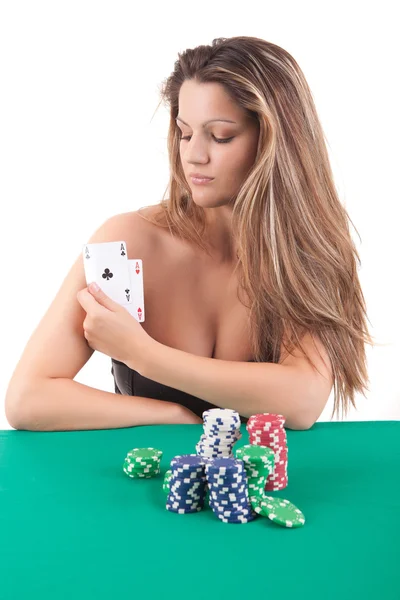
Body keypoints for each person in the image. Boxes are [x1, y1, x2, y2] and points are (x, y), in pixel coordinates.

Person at [5, 36, 376, 432]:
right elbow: (28, 399)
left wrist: (143, 355)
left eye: (220, 136)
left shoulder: (307, 254)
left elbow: (302, 401)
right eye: (185, 133)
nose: (194, 155)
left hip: (264, 489)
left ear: (274, 142)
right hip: (142, 490)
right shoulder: (128, 243)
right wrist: (171, 415)